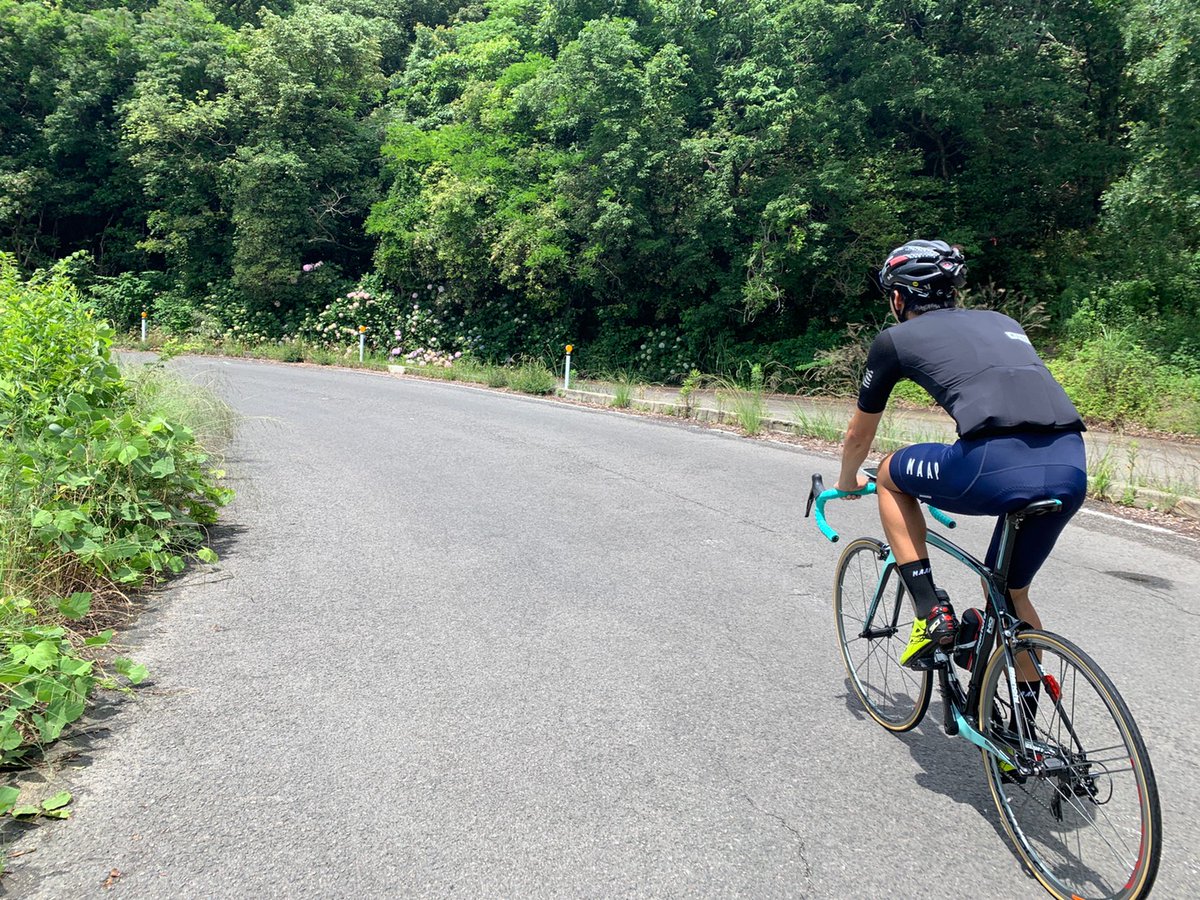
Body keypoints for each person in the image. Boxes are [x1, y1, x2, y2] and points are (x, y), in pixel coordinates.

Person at [835, 240, 1087, 693]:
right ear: (952, 289)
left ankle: (932, 612)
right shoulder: (1004, 321)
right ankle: (1024, 742)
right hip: (1069, 463)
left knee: (890, 473)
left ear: (898, 297)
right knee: (1012, 595)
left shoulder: (894, 339)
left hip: (991, 463)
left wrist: (847, 479)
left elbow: (858, 435)